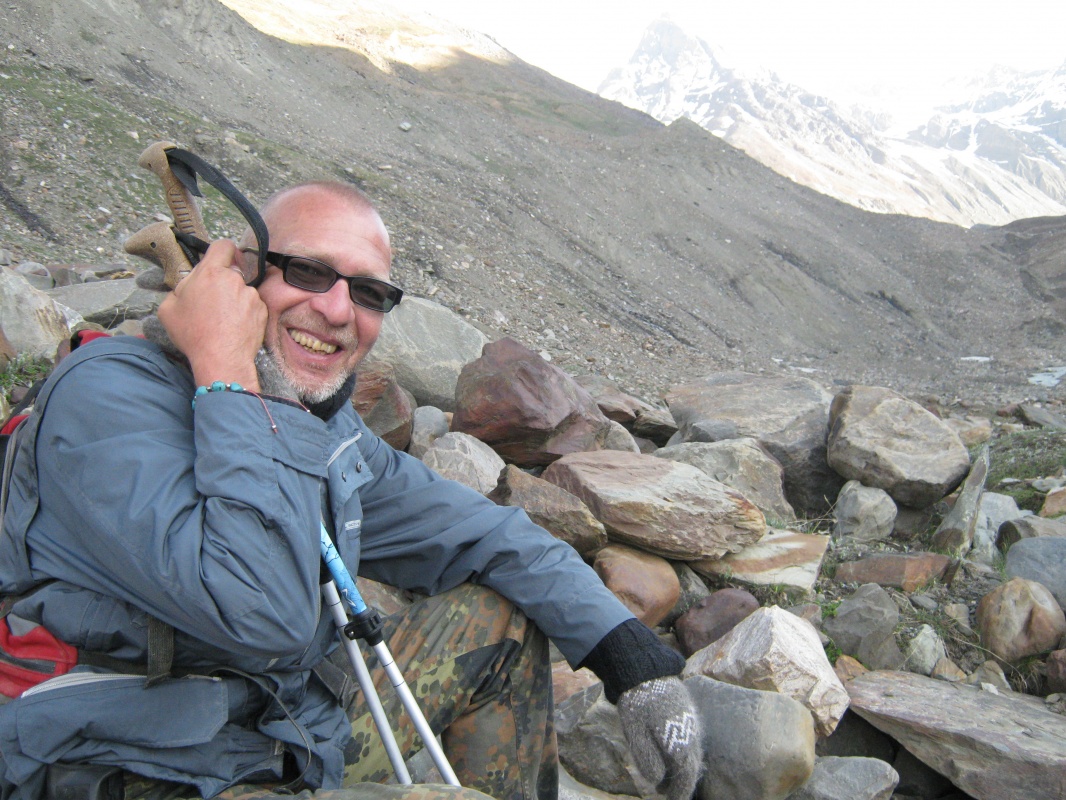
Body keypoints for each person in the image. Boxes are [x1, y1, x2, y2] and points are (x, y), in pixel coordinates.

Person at [0, 182, 701, 800]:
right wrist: (225, 370)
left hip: (276, 732)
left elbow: (482, 533)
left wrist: (632, 658)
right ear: (238, 276)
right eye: (308, 271)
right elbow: (259, 612)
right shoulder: (106, 400)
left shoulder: (319, 428)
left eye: (369, 293)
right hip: (124, 765)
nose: (338, 309)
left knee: (499, 621)